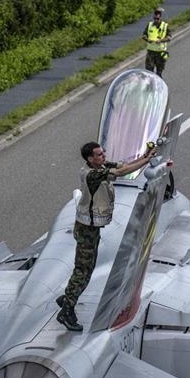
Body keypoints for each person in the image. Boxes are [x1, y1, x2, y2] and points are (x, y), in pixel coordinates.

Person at [55, 141, 157, 331]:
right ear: (90, 158)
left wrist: (145, 156)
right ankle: (67, 310)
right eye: (99, 154)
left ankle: (68, 296)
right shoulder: (93, 174)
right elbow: (120, 173)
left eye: (103, 153)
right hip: (87, 229)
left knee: (86, 268)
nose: (103, 156)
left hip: (90, 227)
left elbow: (124, 166)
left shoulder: (100, 166)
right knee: (83, 271)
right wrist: (146, 161)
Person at [141, 7, 172, 77]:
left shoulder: (165, 26)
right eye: (154, 18)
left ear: (160, 18)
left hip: (161, 53)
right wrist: (148, 40)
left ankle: (159, 87)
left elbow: (169, 38)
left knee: (159, 73)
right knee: (149, 73)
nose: (156, 20)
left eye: (157, 19)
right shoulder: (149, 25)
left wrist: (161, 41)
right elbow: (143, 35)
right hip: (150, 52)